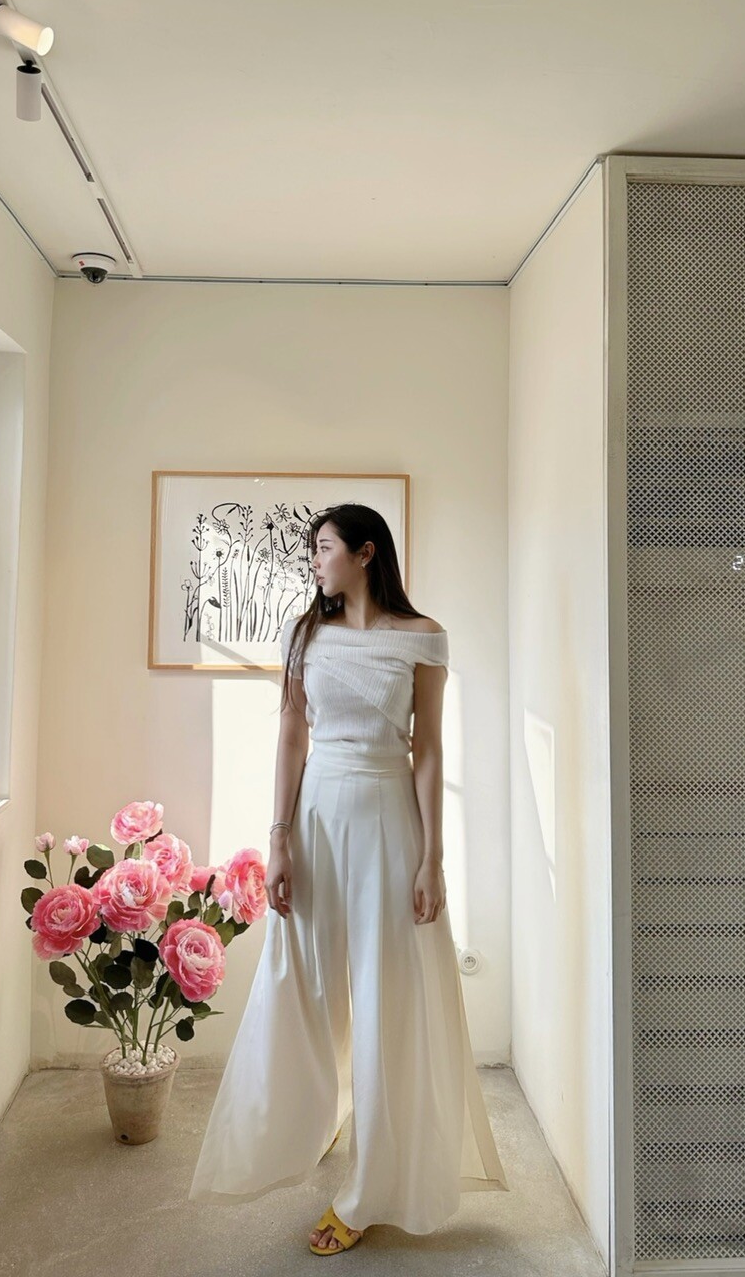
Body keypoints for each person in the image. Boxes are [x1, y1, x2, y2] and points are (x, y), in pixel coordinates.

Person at [188, 502, 508, 1254]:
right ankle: (306, 1122)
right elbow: (291, 734)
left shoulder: (422, 637)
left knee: (388, 994)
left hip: (389, 819)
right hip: (317, 818)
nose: (314, 561)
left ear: (366, 553)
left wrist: (431, 858)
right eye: (313, 550)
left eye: (324, 547)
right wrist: (279, 839)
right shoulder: (305, 634)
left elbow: (428, 749)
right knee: (302, 981)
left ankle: (368, 1191)